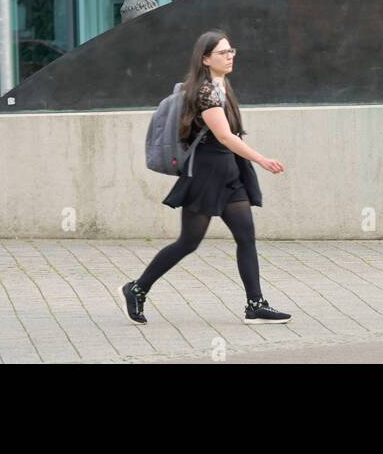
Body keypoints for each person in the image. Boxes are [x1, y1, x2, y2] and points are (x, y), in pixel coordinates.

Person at [121, 30, 291, 325]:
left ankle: (255, 304)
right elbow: (224, 136)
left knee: (246, 238)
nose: (230, 56)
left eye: (231, 51)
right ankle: (137, 288)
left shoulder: (222, 85)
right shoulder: (204, 92)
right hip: (207, 173)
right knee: (188, 242)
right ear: (205, 59)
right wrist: (261, 159)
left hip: (230, 172)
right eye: (223, 53)